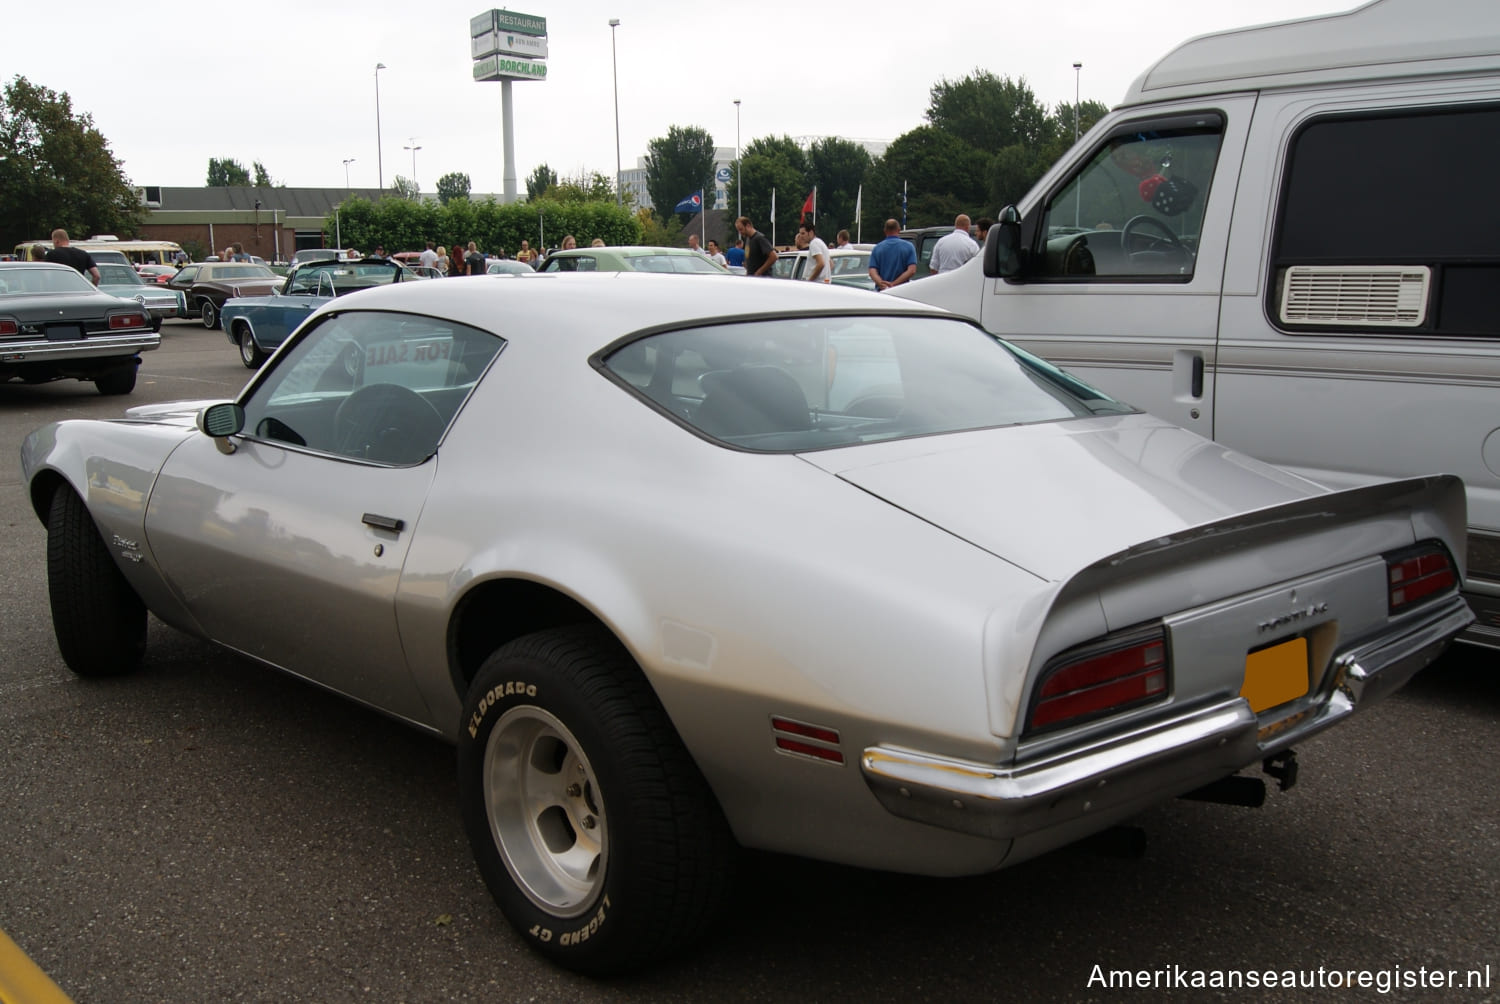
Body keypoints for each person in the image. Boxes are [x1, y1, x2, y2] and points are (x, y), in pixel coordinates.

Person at [868, 219, 917, 290]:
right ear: (899, 230)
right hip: (902, 290)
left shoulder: (877, 248)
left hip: (882, 292)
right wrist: (893, 284)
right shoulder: (909, 246)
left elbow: (872, 271)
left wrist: (882, 284)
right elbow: (912, 270)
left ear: (885, 231)